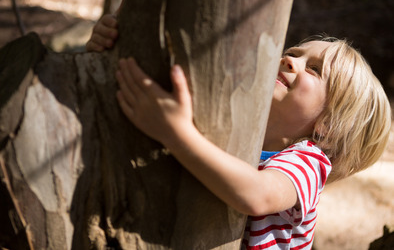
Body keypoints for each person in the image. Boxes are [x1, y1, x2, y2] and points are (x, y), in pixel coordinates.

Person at [86, 14, 392, 249]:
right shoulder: (234, 124)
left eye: (313, 68)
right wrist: (107, 54)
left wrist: (174, 131)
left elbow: (255, 195)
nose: (289, 60)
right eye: (294, 53)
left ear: (328, 126)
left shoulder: (308, 163)